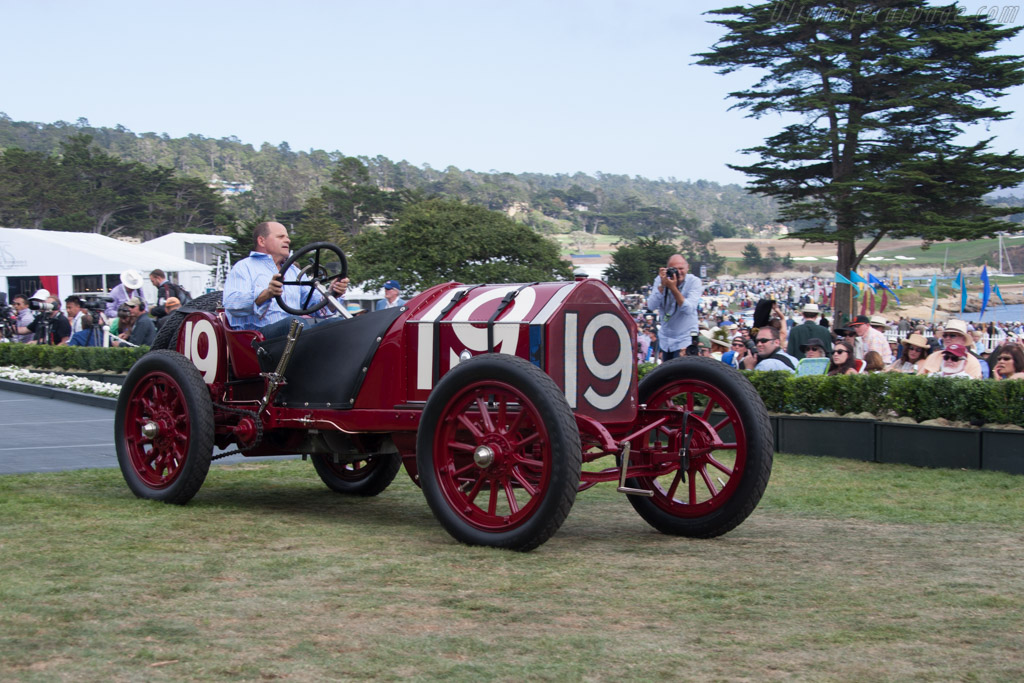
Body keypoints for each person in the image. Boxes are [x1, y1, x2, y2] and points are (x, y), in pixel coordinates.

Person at [223, 221, 349, 338]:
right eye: (280, 237)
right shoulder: (244, 267)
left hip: (294, 334)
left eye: (287, 237)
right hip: (258, 339)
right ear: (262, 241)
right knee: (293, 324)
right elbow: (232, 304)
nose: (287, 240)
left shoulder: (293, 271)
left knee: (338, 323)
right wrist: (266, 294)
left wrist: (333, 294)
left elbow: (316, 307)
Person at [646, 254, 702, 361]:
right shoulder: (660, 280)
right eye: (674, 269)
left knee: (681, 374)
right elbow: (651, 306)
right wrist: (662, 286)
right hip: (665, 339)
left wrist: (673, 288)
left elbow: (688, 309)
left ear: (687, 268)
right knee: (668, 375)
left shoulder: (694, 282)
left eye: (681, 269)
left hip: (685, 339)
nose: (678, 272)